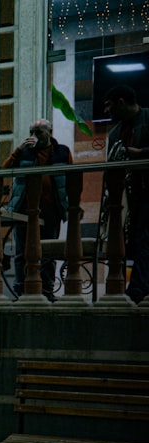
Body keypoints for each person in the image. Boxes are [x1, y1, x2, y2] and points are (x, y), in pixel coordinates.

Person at [2, 118, 72, 301]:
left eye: (39, 132)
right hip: (24, 209)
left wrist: (72, 205)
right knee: (22, 251)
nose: (34, 136)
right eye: (31, 132)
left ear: (50, 131)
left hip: (51, 209)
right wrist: (19, 150)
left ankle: (47, 290)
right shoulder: (25, 153)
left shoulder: (62, 152)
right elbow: (4, 169)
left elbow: (72, 179)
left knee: (48, 251)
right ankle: (21, 291)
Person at [103, 84, 149, 304]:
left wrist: (141, 154)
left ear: (121, 102)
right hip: (129, 195)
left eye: (109, 105)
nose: (106, 111)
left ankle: (138, 289)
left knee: (144, 238)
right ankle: (131, 287)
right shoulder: (114, 133)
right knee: (131, 240)